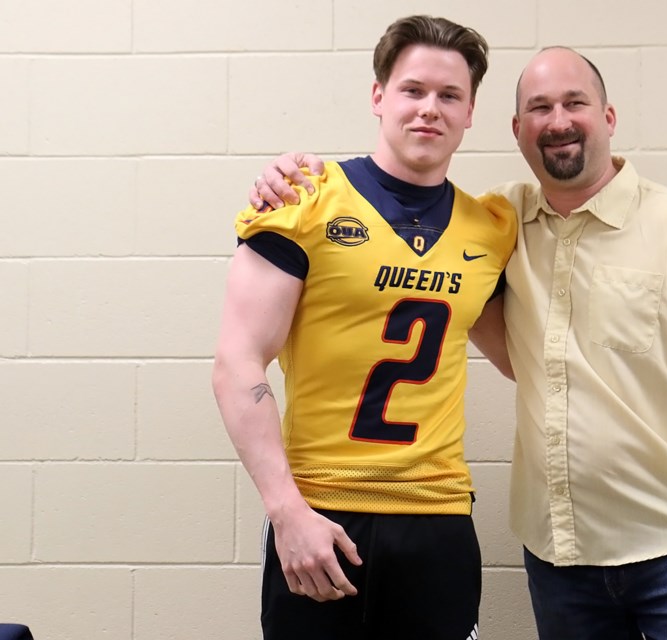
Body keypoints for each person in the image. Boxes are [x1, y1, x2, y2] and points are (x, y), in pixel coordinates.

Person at [250, 46, 667, 640]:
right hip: (559, 553)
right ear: (516, 129)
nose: (558, 121)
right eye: (539, 107)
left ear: (608, 117)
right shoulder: (496, 221)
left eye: (575, 103)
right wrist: (292, 170)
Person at [212, 15, 516, 640]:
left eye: (449, 95)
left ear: (470, 112)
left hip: (438, 515)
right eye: (413, 90)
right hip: (324, 512)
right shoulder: (304, 200)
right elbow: (236, 364)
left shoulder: (490, 227)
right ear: (379, 97)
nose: (429, 109)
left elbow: (523, 357)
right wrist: (286, 510)